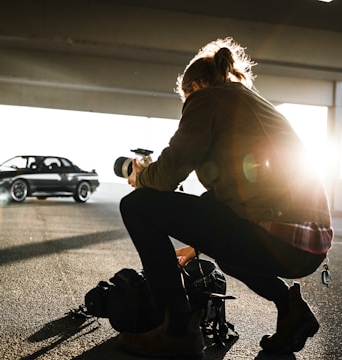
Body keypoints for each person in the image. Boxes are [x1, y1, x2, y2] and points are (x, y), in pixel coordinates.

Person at [118, 37, 333, 359]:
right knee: (226, 253)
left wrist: (140, 176)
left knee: (137, 205)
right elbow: (238, 193)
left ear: (197, 85)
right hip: (306, 243)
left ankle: (177, 331)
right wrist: (199, 241)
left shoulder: (208, 98)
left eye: (186, 97)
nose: (186, 105)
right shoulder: (250, 102)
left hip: (278, 232)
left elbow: (166, 175)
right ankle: (291, 310)